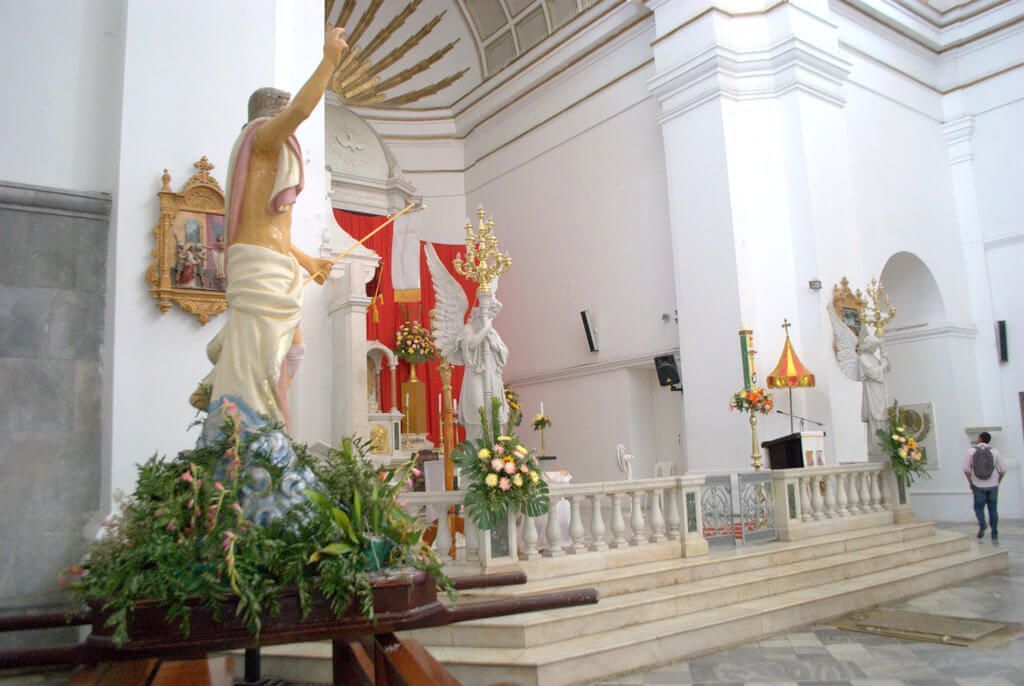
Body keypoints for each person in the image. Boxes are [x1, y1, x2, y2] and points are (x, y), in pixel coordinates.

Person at [963, 432, 1006, 543]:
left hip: (978, 485)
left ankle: (982, 524)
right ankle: (994, 533)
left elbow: (966, 469)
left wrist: (970, 482)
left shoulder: (971, 451)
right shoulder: (995, 451)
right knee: (993, 509)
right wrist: (998, 481)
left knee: (978, 508)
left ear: (980, 438)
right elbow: (1003, 469)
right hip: (993, 485)